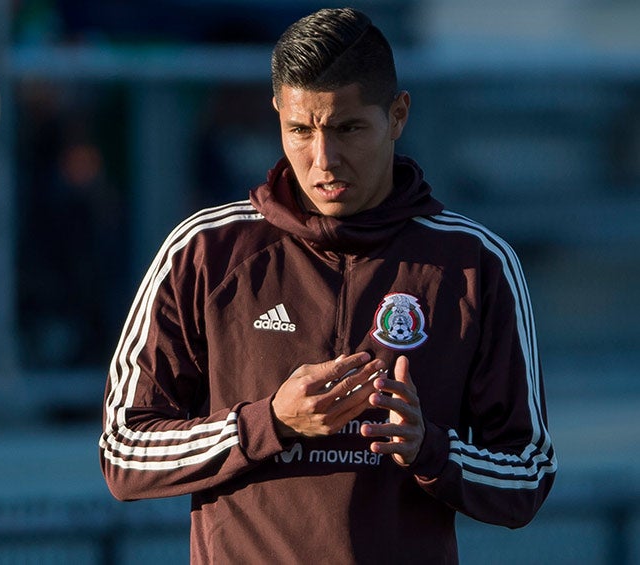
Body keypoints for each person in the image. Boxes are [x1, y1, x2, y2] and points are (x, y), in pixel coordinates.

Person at [99, 8, 556, 564]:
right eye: (301, 130)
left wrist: (428, 448)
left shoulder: (473, 264)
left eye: (347, 128)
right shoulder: (205, 252)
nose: (323, 159)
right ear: (278, 116)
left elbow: (527, 476)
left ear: (398, 115)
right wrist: (270, 422)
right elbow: (125, 452)